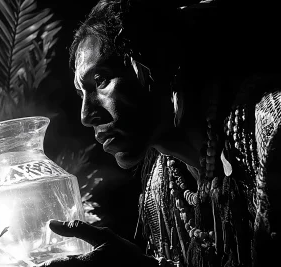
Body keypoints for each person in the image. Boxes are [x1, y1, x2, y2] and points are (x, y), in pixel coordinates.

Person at [40, 0, 281, 266]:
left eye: (101, 81)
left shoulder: (271, 129)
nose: (86, 116)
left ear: (161, 65)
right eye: (80, 94)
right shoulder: (162, 186)